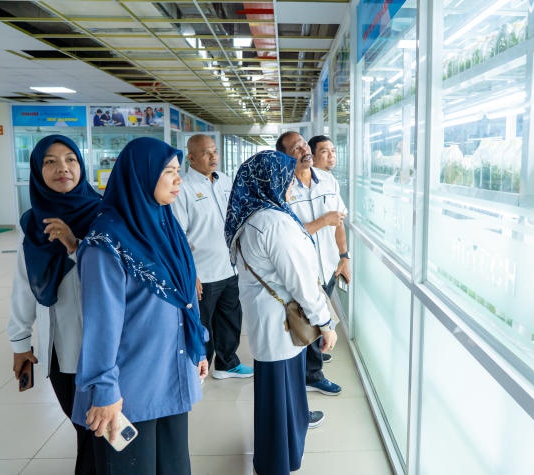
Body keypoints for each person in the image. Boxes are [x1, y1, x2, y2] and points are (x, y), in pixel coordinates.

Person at [73, 137, 208, 474]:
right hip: (129, 388)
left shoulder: (166, 226)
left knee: (174, 466)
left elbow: (184, 295)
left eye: (179, 171)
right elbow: (100, 324)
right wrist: (105, 389)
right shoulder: (106, 243)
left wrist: (198, 347)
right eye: (169, 172)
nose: (178, 179)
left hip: (172, 374)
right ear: (141, 176)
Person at [224, 150, 337, 475]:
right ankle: (276, 463)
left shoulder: (253, 215)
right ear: (269, 181)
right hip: (283, 325)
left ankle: (282, 455)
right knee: (278, 401)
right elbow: (302, 283)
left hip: (271, 324)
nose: (293, 186)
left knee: (282, 397)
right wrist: (325, 323)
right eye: (287, 179)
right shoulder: (274, 223)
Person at [8, 134, 101, 474]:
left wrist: (75, 246)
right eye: (50, 161)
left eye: (70, 159)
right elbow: (23, 284)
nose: (62, 168)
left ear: (82, 164)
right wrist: (20, 343)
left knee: (102, 429)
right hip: (61, 349)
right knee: (84, 426)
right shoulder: (32, 223)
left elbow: (120, 275)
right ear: (37, 170)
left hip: (109, 345)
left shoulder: (105, 212)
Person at [172, 134, 253, 379]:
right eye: (206, 153)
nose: (213, 156)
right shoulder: (183, 188)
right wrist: (190, 274)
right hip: (203, 272)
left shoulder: (226, 181)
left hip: (230, 267)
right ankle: (200, 368)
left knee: (230, 318)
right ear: (192, 157)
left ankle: (227, 363)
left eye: (215, 151)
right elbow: (178, 236)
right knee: (203, 324)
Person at [276, 131, 350, 396]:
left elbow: (339, 223)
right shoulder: (281, 188)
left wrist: (344, 257)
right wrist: (322, 222)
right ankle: (312, 376)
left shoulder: (328, 181)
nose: (303, 150)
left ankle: (312, 370)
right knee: (308, 320)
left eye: (304, 144)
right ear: (284, 157)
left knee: (320, 322)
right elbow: (284, 234)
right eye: (296, 149)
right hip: (302, 270)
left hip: (327, 265)